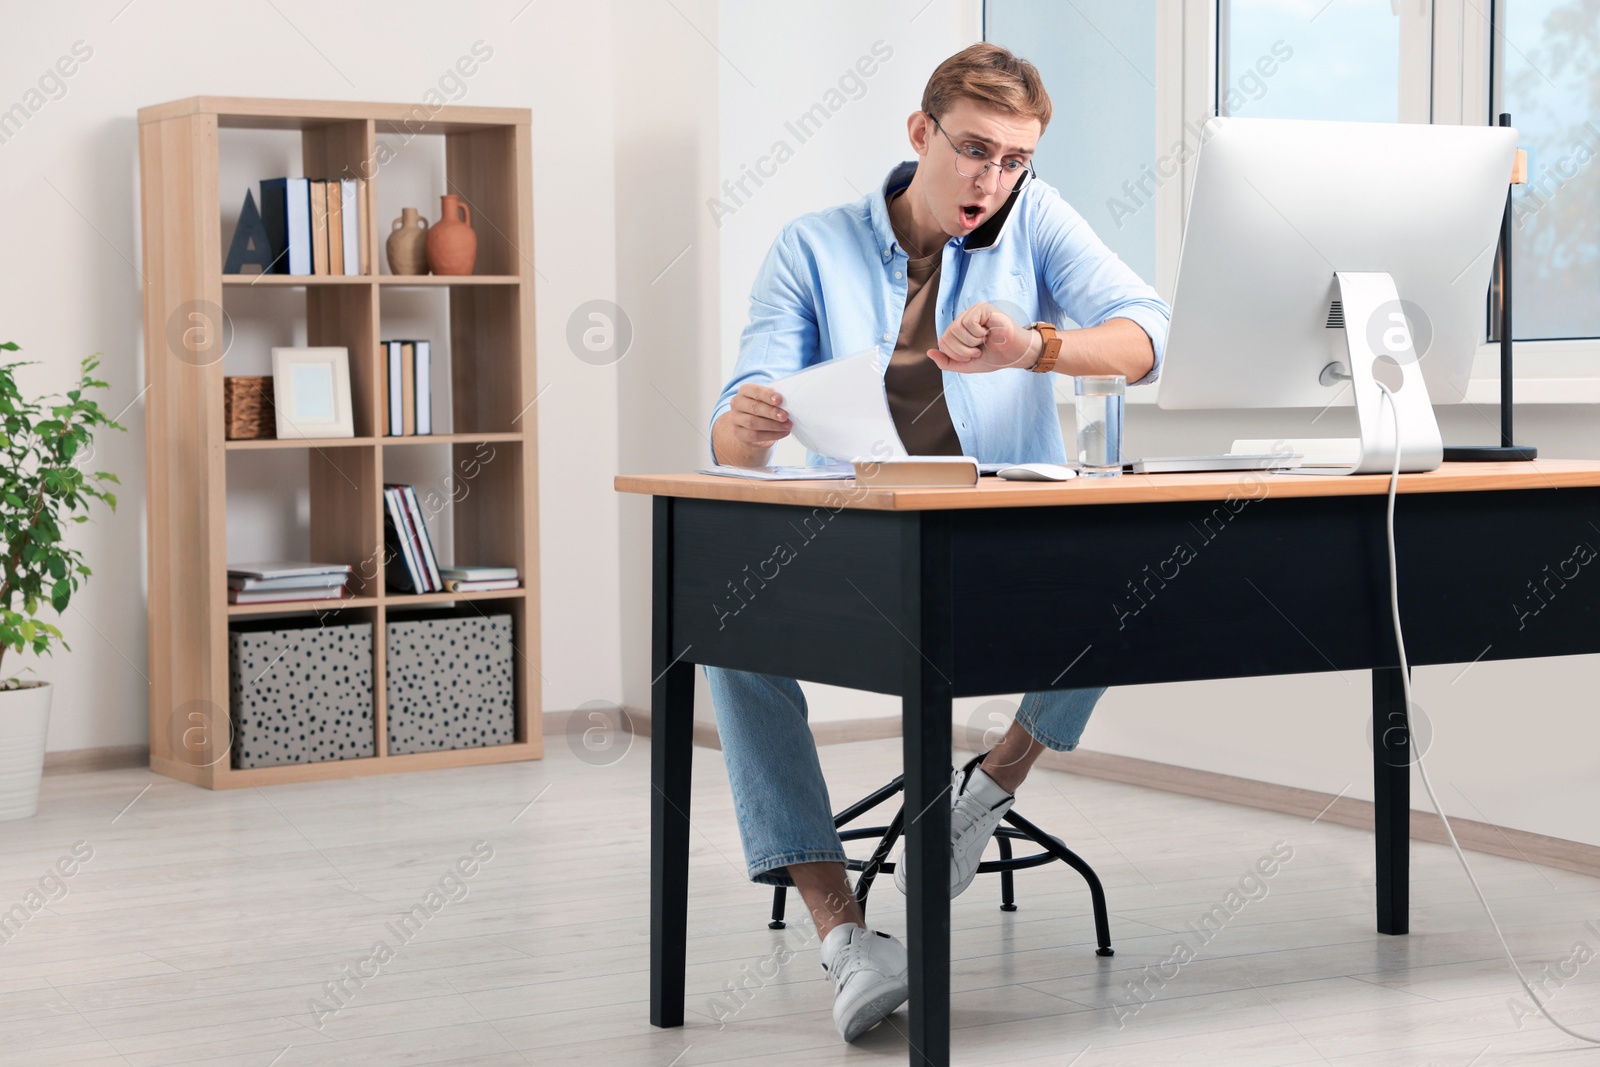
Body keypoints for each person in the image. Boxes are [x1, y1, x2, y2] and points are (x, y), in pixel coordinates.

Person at [705, 42, 1171, 1042]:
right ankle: (845, 935)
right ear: (920, 133)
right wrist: (744, 427)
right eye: (973, 150)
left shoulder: (1032, 221)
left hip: (1000, 541)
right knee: (729, 622)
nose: (990, 179)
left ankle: (989, 785)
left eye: (1013, 159)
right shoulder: (810, 247)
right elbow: (733, 418)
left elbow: (1144, 332)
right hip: (858, 545)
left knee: (1131, 555)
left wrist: (1035, 345)